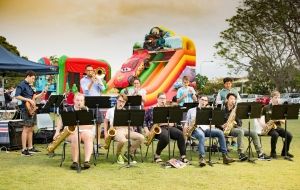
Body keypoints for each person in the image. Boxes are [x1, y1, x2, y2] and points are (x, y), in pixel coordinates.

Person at [184, 94, 234, 166]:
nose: (204, 102)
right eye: (202, 100)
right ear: (199, 100)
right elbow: (186, 123)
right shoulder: (191, 110)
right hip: (195, 129)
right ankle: (202, 158)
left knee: (220, 132)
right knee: (201, 135)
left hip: (206, 129)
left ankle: (225, 156)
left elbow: (213, 123)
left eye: (205, 100)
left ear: (207, 102)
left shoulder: (209, 110)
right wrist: (186, 130)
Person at [219, 93, 271, 161]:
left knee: (253, 132)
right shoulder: (222, 109)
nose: (233, 100)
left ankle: (260, 154)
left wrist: (234, 123)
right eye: (231, 98)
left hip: (236, 127)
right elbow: (216, 121)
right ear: (227, 100)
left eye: (234, 99)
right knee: (240, 131)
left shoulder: (236, 109)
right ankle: (241, 154)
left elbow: (240, 123)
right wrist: (222, 125)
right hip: (227, 129)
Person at [144, 92, 189, 164]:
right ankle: (157, 155)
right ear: (157, 99)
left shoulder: (169, 109)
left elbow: (175, 120)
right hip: (156, 128)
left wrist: (173, 123)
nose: (163, 100)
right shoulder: (151, 109)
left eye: (164, 99)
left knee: (180, 134)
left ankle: (183, 156)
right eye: (161, 98)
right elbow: (144, 121)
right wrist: (146, 131)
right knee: (165, 137)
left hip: (168, 127)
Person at [54, 93, 94, 170]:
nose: (79, 102)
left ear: (84, 101)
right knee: (76, 136)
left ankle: (86, 161)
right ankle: (75, 162)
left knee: (89, 136)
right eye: (77, 100)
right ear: (74, 101)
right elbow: (60, 122)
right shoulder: (67, 110)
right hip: (71, 133)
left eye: (81, 100)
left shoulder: (87, 110)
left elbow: (91, 125)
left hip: (84, 131)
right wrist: (57, 132)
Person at [103, 93, 144, 164]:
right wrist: (105, 133)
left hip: (126, 130)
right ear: (116, 100)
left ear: (125, 103)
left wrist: (131, 127)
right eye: (120, 101)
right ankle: (118, 154)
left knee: (141, 137)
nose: (121, 103)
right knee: (123, 140)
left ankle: (128, 153)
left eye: (123, 102)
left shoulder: (126, 111)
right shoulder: (110, 110)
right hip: (116, 131)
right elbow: (106, 122)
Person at [15, 71, 46, 156]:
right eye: (32, 78)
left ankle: (30, 147)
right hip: (25, 109)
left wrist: (42, 93)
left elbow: (34, 97)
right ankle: (24, 149)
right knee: (26, 128)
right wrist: (28, 100)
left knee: (31, 128)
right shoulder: (21, 84)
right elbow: (17, 95)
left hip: (32, 109)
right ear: (28, 76)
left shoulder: (29, 86)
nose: (33, 80)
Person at [257, 91, 293, 159]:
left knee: (289, 135)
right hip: (269, 128)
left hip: (278, 127)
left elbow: (284, 121)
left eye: (278, 97)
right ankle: (273, 153)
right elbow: (257, 116)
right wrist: (262, 124)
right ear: (271, 98)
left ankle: (284, 152)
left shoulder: (281, 108)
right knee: (275, 135)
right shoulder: (266, 107)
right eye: (276, 97)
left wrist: (279, 119)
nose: (277, 99)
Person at [80, 65, 105, 146]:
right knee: (88, 123)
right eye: (88, 70)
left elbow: (103, 89)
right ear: (86, 71)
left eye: (91, 70)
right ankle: (89, 141)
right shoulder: (83, 80)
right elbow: (86, 92)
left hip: (98, 102)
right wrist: (91, 82)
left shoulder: (97, 78)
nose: (90, 72)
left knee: (99, 123)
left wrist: (98, 80)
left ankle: (98, 143)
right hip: (88, 103)